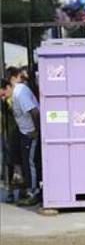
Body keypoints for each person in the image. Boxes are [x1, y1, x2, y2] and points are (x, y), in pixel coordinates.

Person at [0, 75, 41, 206]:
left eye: (3, 94)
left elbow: (35, 112)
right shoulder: (14, 94)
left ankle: (33, 193)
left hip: (30, 133)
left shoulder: (19, 94)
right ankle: (28, 190)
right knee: (25, 162)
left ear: (7, 87)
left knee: (30, 163)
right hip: (24, 132)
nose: (3, 98)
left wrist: (36, 131)